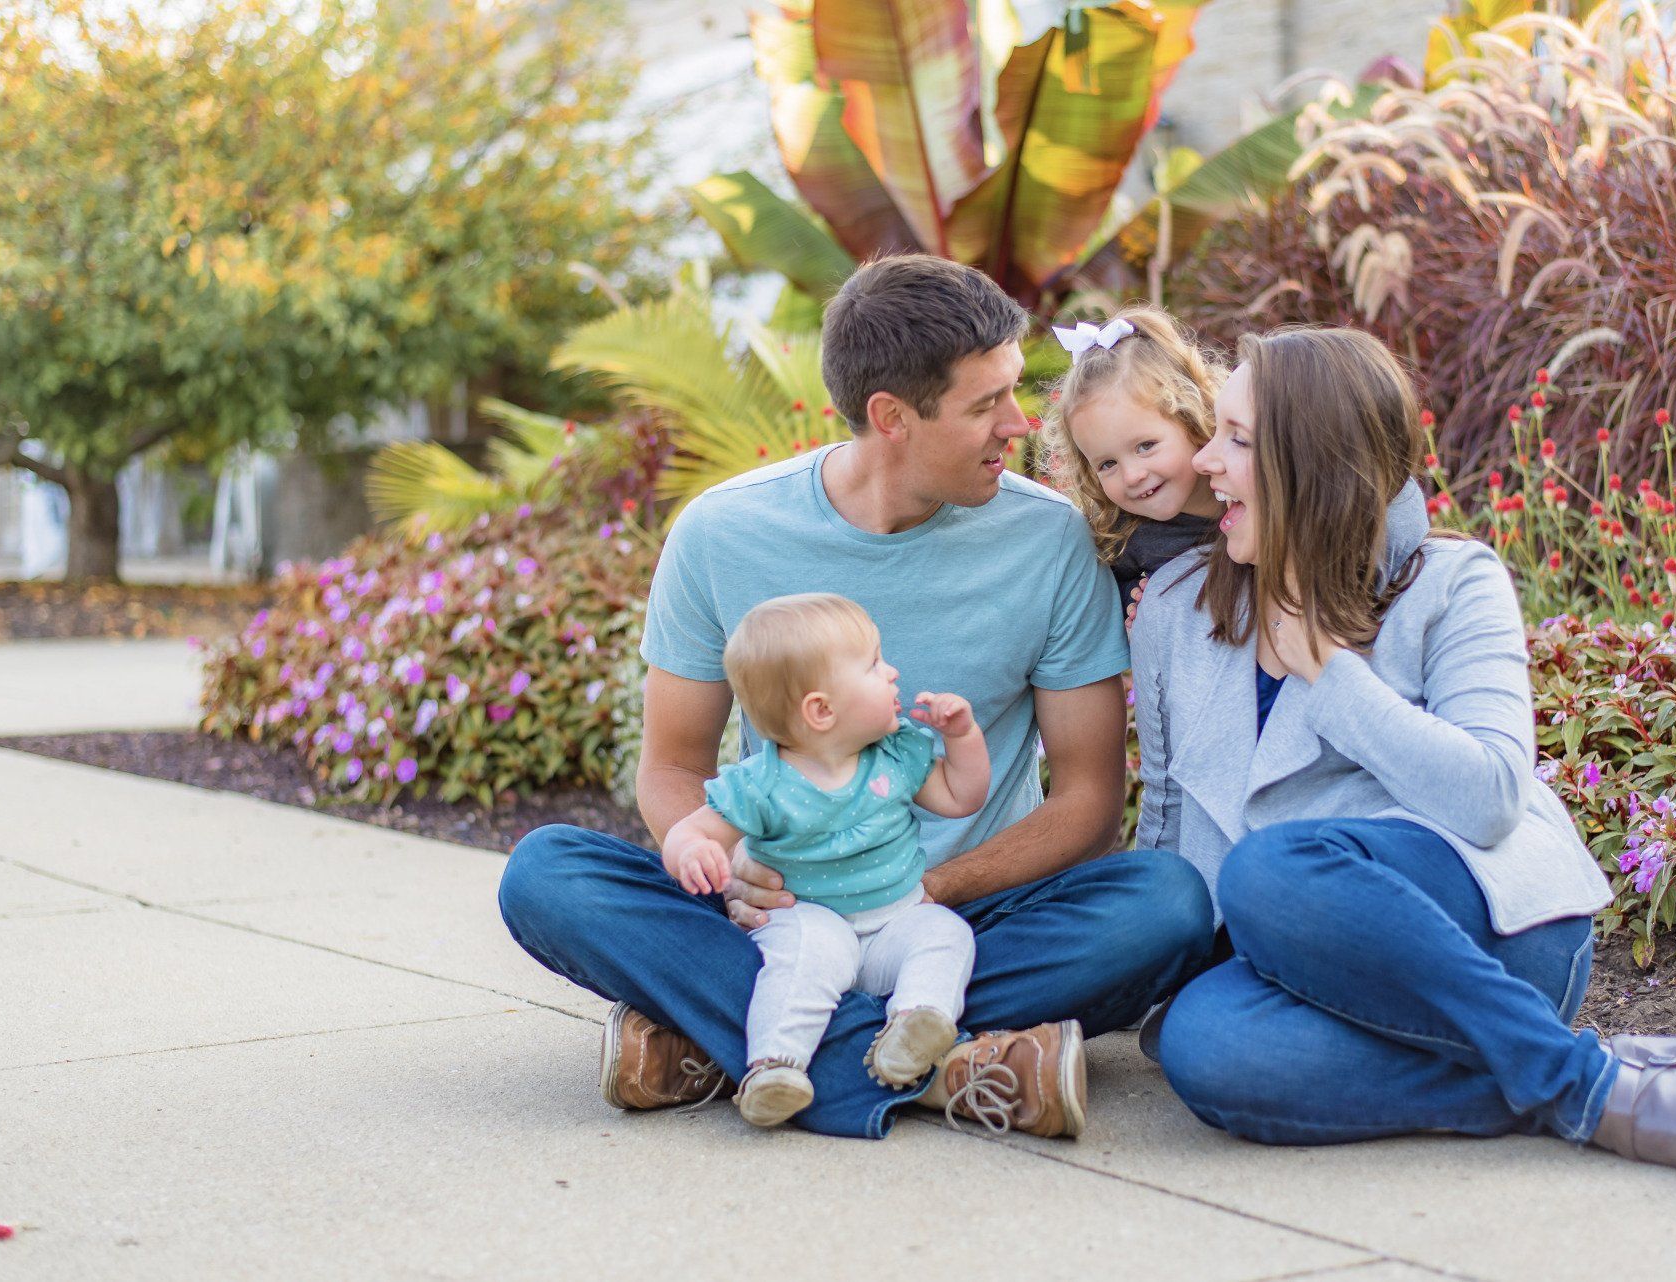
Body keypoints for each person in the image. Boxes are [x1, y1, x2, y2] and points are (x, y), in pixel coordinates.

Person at [499, 254, 1214, 1140]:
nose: (1019, 423)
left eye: (1013, 391)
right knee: (548, 874)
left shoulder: (1049, 539)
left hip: (964, 910)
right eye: (984, 403)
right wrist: (726, 873)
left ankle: (749, 1047)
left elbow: (1088, 801)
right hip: (784, 912)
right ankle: (941, 1071)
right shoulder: (722, 534)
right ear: (892, 418)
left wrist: (924, 893)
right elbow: (674, 768)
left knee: (1168, 906)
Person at [1132, 325, 1676, 1187]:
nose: (1202, 465)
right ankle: (1608, 1072)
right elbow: (1166, 816)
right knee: (1206, 1046)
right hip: (1312, 962)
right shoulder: (1177, 610)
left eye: (1236, 440)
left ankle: (1593, 1093)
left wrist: (1332, 674)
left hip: (1495, 931)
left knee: (1270, 870)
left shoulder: (1454, 580)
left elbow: (1491, 796)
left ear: (1311, 462)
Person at [660, 594, 985, 1128]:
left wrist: (963, 738)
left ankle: (914, 1026)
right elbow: (694, 830)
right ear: (822, 710)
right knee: (802, 959)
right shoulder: (762, 784)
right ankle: (776, 1066)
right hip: (809, 921)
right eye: (875, 665)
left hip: (896, 922)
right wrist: (693, 849)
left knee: (946, 933)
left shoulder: (897, 754)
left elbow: (959, 796)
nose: (893, 671)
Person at [1041, 308, 1224, 620]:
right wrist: (1132, 601)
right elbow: (1110, 597)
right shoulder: (1127, 539)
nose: (1133, 476)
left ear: (1192, 418)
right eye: (1108, 464)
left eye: (1145, 446)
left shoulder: (1252, 490)